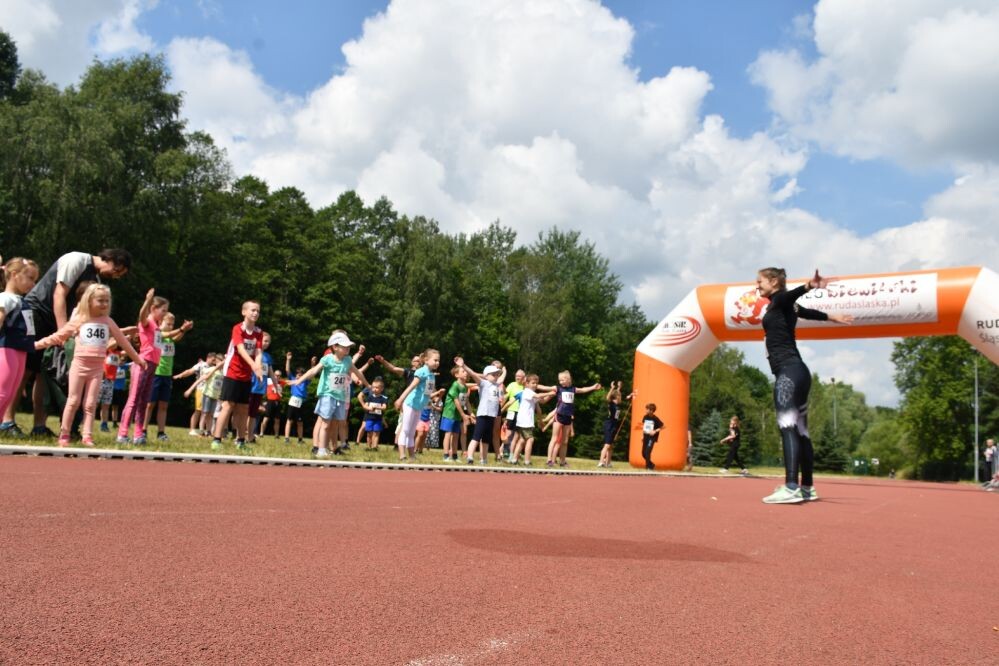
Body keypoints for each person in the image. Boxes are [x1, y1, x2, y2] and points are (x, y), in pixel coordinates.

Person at [756, 268, 853, 504]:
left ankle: (791, 487)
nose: (756, 286)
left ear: (774, 281)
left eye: (759, 281)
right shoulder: (784, 306)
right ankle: (807, 487)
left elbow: (790, 296)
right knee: (801, 431)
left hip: (789, 373)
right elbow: (807, 312)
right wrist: (831, 317)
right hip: (798, 372)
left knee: (787, 426)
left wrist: (809, 286)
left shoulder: (780, 300)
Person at [20, 249, 132, 436]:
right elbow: (59, 295)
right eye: (117, 270)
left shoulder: (96, 281)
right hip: (38, 312)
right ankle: (6, 422)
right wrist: (63, 334)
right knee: (24, 370)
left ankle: (39, 426)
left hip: (59, 322)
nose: (116, 276)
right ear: (111, 260)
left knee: (43, 373)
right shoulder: (76, 260)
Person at [34, 284, 145, 446]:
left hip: (97, 369)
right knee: (73, 401)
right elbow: (58, 336)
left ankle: (87, 436)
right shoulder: (79, 320)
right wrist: (36, 345)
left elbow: (123, 342)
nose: (104, 304)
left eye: (107, 301)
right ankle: (64, 434)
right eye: (100, 300)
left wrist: (138, 359)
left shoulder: (108, 321)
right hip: (79, 366)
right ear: (89, 300)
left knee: (90, 403)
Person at [289, 330, 370, 458]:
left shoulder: (348, 360)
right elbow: (313, 371)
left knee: (336, 422)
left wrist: (368, 385)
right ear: (335, 347)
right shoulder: (327, 359)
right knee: (325, 424)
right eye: (345, 346)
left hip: (340, 396)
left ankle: (332, 447)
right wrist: (298, 381)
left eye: (349, 346)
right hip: (327, 395)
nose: (348, 348)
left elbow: (358, 373)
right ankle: (321, 449)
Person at [116, 288, 169, 445]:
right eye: (163, 310)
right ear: (153, 309)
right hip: (142, 363)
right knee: (134, 399)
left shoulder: (157, 327)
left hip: (153, 365)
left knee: (144, 401)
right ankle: (122, 433)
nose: (165, 314)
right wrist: (147, 300)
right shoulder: (147, 322)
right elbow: (141, 316)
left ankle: (138, 434)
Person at [210, 301, 264, 450]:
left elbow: (258, 352)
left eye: (258, 311)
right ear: (244, 312)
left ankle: (240, 441)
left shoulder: (259, 332)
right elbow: (240, 349)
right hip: (233, 372)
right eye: (253, 310)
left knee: (243, 408)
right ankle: (217, 439)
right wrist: (254, 366)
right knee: (228, 405)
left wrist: (258, 366)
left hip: (246, 375)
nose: (256, 313)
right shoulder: (237, 328)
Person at [0, 257, 40, 436]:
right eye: (30, 278)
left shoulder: (21, 300)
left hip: (20, 351)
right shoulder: (6, 299)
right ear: (15, 275)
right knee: (2, 391)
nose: (33, 284)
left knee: (9, 393)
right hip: (6, 349)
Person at [145, 311, 194, 441]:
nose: (171, 326)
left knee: (163, 405)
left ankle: (161, 432)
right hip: (156, 373)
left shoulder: (170, 337)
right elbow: (168, 334)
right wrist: (181, 329)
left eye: (172, 324)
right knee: (150, 404)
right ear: (160, 323)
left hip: (167, 375)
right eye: (168, 324)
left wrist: (184, 331)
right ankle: (143, 429)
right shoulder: (158, 334)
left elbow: (176, 337)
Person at [454, 358, 505, 465]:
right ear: (486, 375)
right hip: (483, 414)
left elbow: (502, 378)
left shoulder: (496, 384)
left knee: (486, 439)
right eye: (493, 374)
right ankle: (470, 456)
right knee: (477, 437)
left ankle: (484, 459)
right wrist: (463, 365)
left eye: (497, 375)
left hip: (492, 416)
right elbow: (472, 374)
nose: (496, 376)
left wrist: (504, 371)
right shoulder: (483, 383)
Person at [546, 370, 601, 468]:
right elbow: (545, 387)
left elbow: (583, 390)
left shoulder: (573, 389)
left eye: (562, 380)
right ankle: (549, 460)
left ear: (568, 379)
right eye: (559, 380)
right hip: (559, 415)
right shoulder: (558, 388)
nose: (561, 382)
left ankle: (562, 461)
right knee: (554, 438)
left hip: (568, 417)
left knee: (565, 441)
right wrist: (533, 385)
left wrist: (593, 387)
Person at [394, 349, 442, 462]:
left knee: (412, 432)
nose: (437, 363)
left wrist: (436, 397)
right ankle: (402, 455)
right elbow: (412, 387)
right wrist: (400, 399)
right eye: (435, 360)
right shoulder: (421, 372)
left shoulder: (432, 376)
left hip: (419, 407)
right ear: (426, 360)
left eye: (438, 361)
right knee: (406, 430)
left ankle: (412, 456)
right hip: (410, 404)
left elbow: (427, 393)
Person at [507, 373, 555, 465]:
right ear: (527, 384)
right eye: (533, 383)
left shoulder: (531, 394)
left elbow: (542, 401)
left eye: (536, 383)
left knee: (522, 440)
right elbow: (539, 396)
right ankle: (527, 461)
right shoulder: (528, 392)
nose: (535, 385)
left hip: (524, 421)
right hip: (525, 421)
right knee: (530, 440)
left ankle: (514, 459)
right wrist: (549, 392)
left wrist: (551, 395)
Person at [440, 365, 473, 462]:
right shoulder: (455, 385)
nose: (466, 373)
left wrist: (471, 413)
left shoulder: (465, 387)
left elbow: (466, 402)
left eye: (466, 371)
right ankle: (446, 455)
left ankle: (454, 456)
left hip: (457, 415)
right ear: (457, 375)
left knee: (456, 435)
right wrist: (463, 415)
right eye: (463, 371)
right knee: (448, 433)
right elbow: (456, 401)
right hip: (450, 413)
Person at [598, 381, 632, 468]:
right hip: (609, 425)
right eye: (619, 396)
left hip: (614, 425)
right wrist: (612, 388)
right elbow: (608, 397)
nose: (620, 397)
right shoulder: (611, 403)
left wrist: (619, 388)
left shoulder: (617, 405)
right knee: (607, 444)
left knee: (611, 446)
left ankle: (608, 463)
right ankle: (601, 462)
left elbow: (617, 394)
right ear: (616, 397)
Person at [283, 352, 314, 444]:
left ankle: (300, 439)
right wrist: (288, 359)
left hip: (301, 402)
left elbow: (311, 374)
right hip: (293, 401)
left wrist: (312, 364)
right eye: (297, 374)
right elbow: (287, 370)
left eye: (300, 374)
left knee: (300, 422)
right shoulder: (293, 379)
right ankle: (287, 438)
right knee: (289, 420)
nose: (298, 376)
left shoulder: (305, 382)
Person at [358, 377, 389, 450]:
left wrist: (377, 407)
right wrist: (368, 408)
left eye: (377, 388)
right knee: (369, 433)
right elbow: (366, 405)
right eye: (373, 387)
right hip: (369, 418)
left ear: (382, 389)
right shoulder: (370, 397)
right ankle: (369, 446)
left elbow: (384, 407)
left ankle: (374, 447)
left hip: (378, 419)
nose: (374, 389)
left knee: (376, 433)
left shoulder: (383, 398)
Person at [641, 403, 663, 470]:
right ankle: (651, 465)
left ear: (651, 410)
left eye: (647, 409)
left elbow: (662, 426)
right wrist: (642, 436)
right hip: (645, 436)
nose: (646, 410)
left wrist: (655, 431)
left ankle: (648, 467)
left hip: (652, 438)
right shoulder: (645, 417)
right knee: (643, 453)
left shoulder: (655, 418)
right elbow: (644, 427)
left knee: (648, 451)